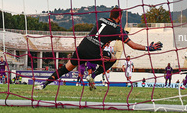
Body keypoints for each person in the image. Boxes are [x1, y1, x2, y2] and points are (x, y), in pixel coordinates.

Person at [35, 8, 163, 90]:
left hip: (83, 46)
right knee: (112, 59)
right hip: (94, 51)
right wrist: (149, 48)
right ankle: (93, 76)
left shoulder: (100, 19)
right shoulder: (118, 29)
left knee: (65, 68)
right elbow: (133, 45)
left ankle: (43, 84)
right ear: (120, 17)